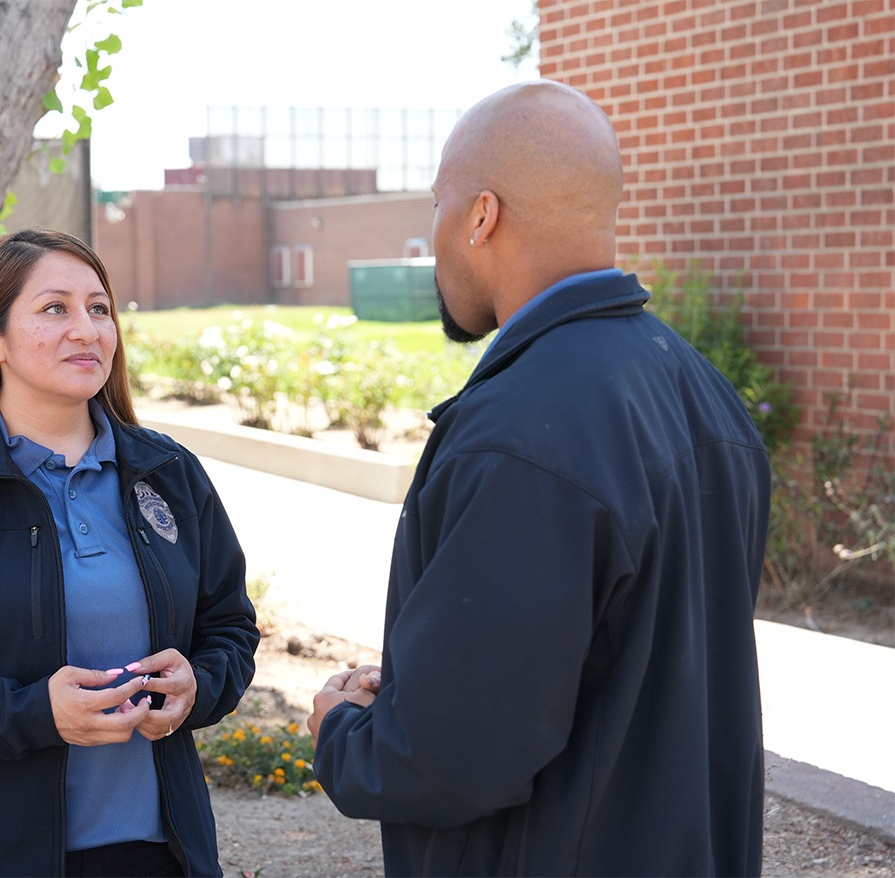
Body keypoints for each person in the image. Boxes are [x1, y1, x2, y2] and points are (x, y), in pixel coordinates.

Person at [307, 80, 770, 877]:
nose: (437, 231)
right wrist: (429, 677)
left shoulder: (520, 432)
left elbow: (455, 758)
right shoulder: (705, 394)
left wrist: (341, 733)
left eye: (439, 204)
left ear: (481, 216)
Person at [0, 229, 259, 877]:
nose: (87, 330)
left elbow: (229, 628)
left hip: (156, 854)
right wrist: (33, 714)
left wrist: (199, 685)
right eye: (55, 308)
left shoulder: (169, 475)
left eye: (99, 308)